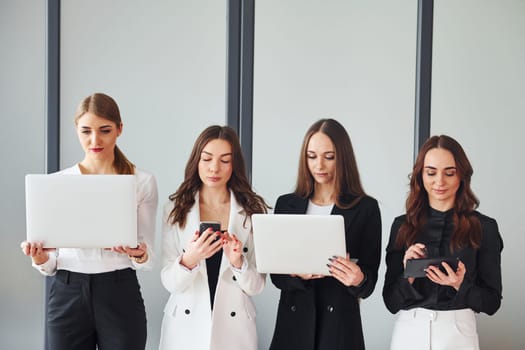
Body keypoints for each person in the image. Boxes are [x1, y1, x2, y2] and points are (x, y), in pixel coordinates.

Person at [20, 93, 158, 350]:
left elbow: (147, 257)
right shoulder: (57, 183)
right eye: (86, 131)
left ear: (120, 129)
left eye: (105, 130)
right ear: (77, 131)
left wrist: (138, 253)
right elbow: (52, 264)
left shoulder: (142, 182)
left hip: (120, 292)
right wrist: (40, 259)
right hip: (67, 291)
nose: (95, 140)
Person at [269, 118, 382, 350]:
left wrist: (357, 278)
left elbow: (369, 281)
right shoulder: (287, 204)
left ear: (343, 157)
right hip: (294, 324)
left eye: (329, 157)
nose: (319, 165)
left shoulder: (365, 208)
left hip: (339, 326)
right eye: (312, 156)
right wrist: (296, 273)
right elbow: (276, 275)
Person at [383, 135, 503, 350]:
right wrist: (407, 276)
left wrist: (460, 285)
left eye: (449, 173)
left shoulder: (484, 227)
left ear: (462, 176)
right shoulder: (402, 226)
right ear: (420, 176)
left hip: (459, 333)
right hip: (409, 332)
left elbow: (492, 303)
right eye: (431, 173)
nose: (439, 182)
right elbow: (390, 302)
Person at [159, 125, 270, 350]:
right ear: (196, 161)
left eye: (225, 160)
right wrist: (189, 260)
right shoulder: (175, 208)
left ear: (235, 165)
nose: (214, 168)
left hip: (234, 327)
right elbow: (169, 282)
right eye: (207, 159)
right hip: (185, 327)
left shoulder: (252, 210)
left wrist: (238, 262)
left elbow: (257, 286)